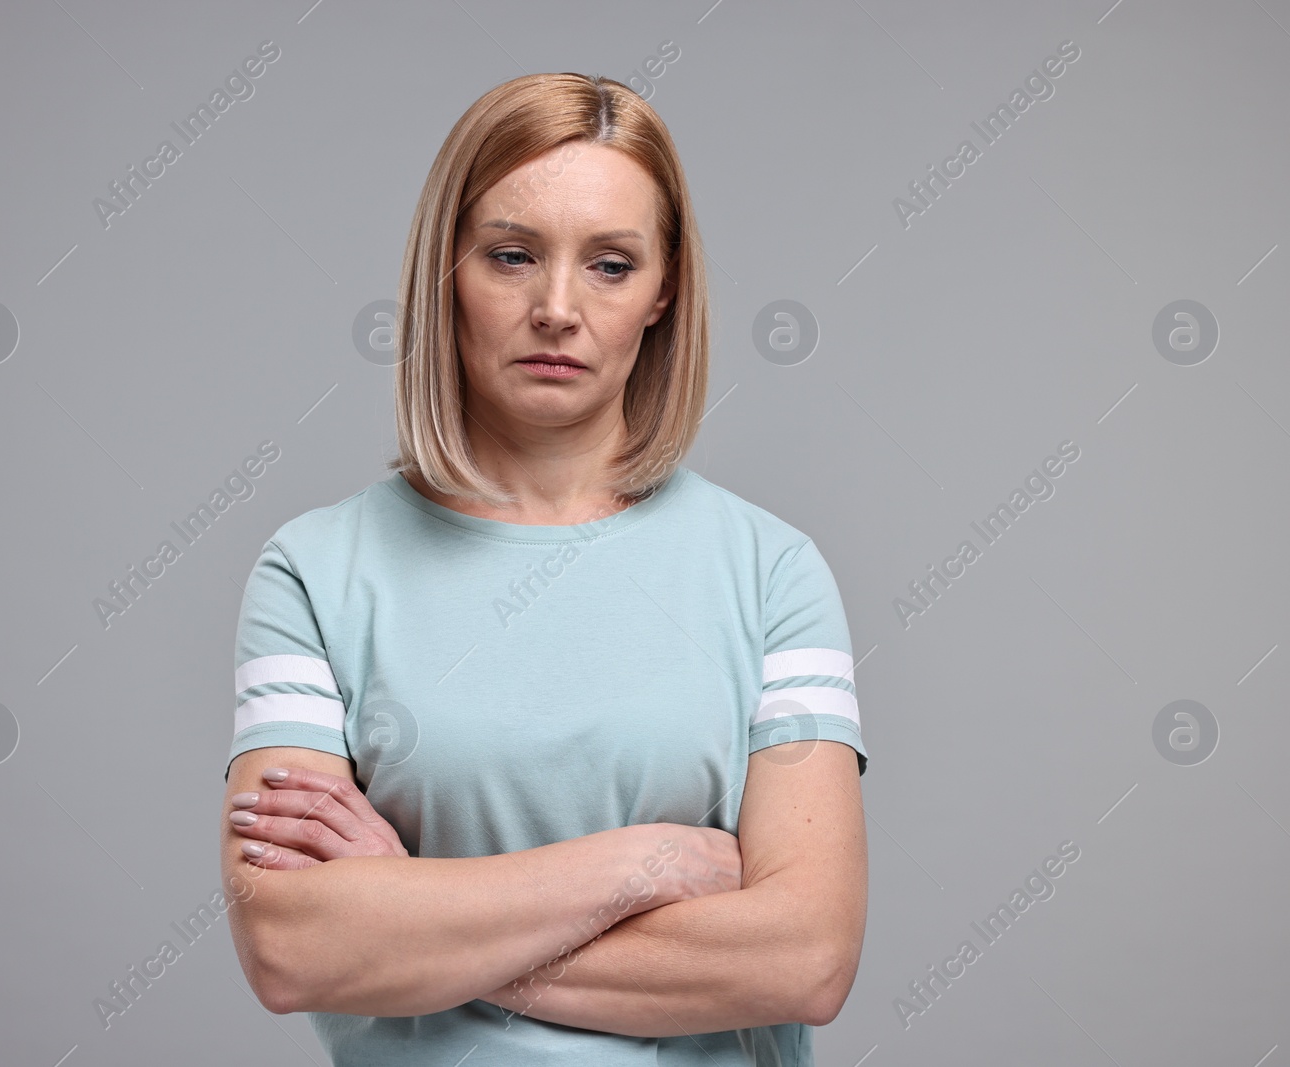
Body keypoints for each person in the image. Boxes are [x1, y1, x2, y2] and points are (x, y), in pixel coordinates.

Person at [218, 71, 868, 1066]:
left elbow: (805, 960)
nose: (556, 307)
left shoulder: (772, 574)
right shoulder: (313, 573)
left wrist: (409, 908)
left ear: (664, 292)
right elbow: (292, 944)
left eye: (609, 264)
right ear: (448, 270)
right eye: (512, 255)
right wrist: (648, 864)